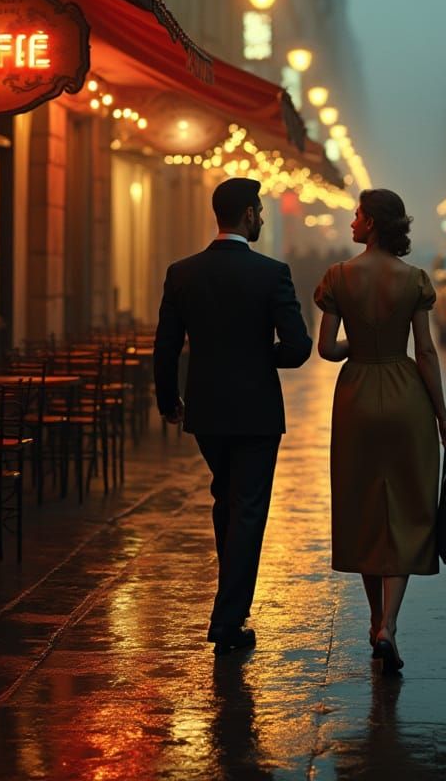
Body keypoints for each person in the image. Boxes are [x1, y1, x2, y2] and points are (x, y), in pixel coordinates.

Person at [153, 177, 312, 656]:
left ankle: (231, 607)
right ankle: (228, 619)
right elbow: (299, 347)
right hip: (257, 410)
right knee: (246, 509)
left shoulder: (182, 272)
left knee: (227, 499)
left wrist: (168, 400)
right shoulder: (272, 274)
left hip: (206, 409)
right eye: (260, 211)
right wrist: (261, 360)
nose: (262, 218)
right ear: (246, 215)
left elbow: (165, 346)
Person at [314, 188, 446, 676]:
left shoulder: (338, 277)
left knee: (362, 506)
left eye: (357, 215)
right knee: (405, 505)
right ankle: (389, 626)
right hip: (405, 396)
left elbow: (327, 349)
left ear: (372, 222)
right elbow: (426, 352)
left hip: (356, 393)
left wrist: (358, 344)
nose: (352, 222)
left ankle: (374, 617)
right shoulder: (414, 280)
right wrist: (442, 417)